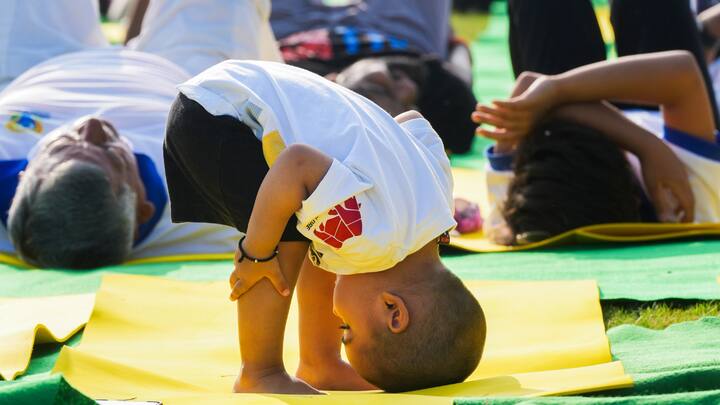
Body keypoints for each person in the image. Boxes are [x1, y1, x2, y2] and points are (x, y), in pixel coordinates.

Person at [164, 60, 486, 393]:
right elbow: (296, 164)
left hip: (240, 91)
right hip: (217, 117)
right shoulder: (374, 237)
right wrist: (256, 253)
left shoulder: (436, 209)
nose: (339, 319)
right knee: (284, 233)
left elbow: (412, 122)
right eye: (348, 328)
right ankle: (259, 373)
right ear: (393, 310)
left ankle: (321, 363)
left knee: (323, 233)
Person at [0, 0, 280, 268]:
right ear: (143, 209)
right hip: (182, 74)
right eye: (111, 150)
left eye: (62, 146)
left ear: (21, 182)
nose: (93, 125)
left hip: (34, 66)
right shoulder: (221, 206)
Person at [472, 0, 720, 245]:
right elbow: (683, 71)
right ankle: (705, 34)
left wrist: (555, 90)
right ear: (635, 198)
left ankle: (703, 33)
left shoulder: (518, 212)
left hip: (567, 107)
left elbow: (527, 88)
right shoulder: (683, 202)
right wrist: (648, 146)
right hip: (665, 108)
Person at [267, 0, 478, 154]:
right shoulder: (442, 107)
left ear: (333, 81)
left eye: (380, 88)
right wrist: (459, 48)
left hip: (284, 30)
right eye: (411, 108)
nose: (407, 89)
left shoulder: (291, 87)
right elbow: (461, 83)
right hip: (401, 32)